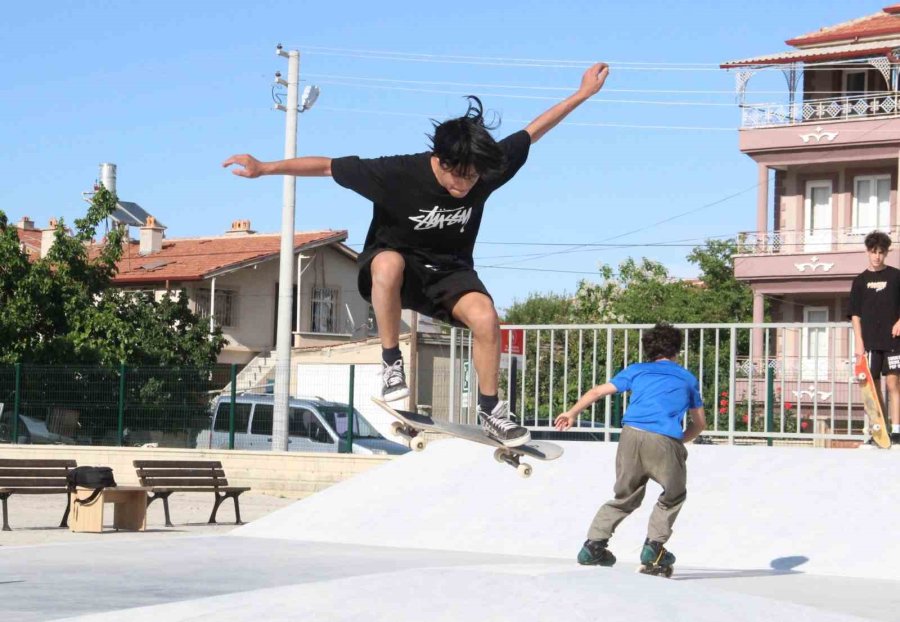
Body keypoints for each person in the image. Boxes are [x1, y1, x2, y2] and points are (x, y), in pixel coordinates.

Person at [223, 62, 610, 447]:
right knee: (388, 262)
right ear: (440, 161)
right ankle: (392, 360)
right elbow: (326, 166)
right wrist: (265, 167)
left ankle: (491, 409)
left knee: (486, 317)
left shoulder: (484, 166)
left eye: (474, 178)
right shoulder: (397, 173)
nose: (466, 185)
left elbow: (532, 131)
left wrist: (581, 94)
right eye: (460, 177)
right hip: (397, 269)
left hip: (450, 273)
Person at [554, 322, 705, 569]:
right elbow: (699, 424)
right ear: (676, 351)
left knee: (626, 495)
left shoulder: (636, 370)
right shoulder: (687, 378)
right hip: (664, 439)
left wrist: (571, 413)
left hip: (630, 435)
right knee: (674, 494)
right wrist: (677, 440)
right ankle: (653, 548)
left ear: (648, 350)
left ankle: (593, 545)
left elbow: (596, 392)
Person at [849, 230, 900, 445]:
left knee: (893, 384)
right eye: (873, 251)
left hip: (893, 341)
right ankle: (880, 429)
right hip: (870, 343)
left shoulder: (896, 276)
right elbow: (855, 314)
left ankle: (897, 430)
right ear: (867, 252)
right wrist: (859, 342)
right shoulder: (860, 281)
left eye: (881, 252)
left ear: (886, 253)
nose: (877, 256)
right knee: (873, 387)